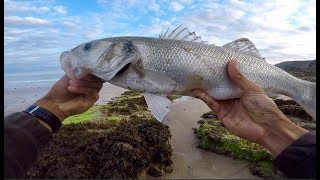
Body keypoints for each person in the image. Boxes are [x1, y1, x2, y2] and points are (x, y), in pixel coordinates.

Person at [4, 60, 315, 178]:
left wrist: (46, 110)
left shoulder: (135, 65)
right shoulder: (127, 73)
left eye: (88, 50)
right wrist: (275, 131)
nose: (79, 54)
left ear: (123, 52)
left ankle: (305, 91)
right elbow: (156, 90)